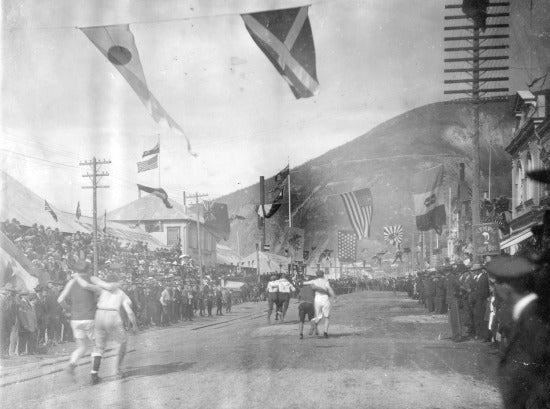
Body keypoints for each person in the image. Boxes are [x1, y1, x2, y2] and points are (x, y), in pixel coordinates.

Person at [486, 256, 550, 408]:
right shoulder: (526, 314)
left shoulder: (534, 319)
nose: (494, 289)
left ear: (507, 287)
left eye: (496, 284)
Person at [73, 271, 137, 384]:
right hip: (113, 315)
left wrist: (77, 276)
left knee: (99, 348)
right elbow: (129, 312)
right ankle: (117, 370)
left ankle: (94, 374)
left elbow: (85, 285)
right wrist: (135, 326)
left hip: (100, 314)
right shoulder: (121, 293)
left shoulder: (102, 289)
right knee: (122, 343)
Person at [303, 270, 336, 338]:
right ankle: (325, 332)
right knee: (326, 317)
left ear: (316, 275)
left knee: (318, 316)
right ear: (323, 275)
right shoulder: (326, 281)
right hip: (325, 298)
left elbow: (304, 283)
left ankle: (314, 323)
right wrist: (334, 296)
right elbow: (329, 289)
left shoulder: (314, 281)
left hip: (317, 298)